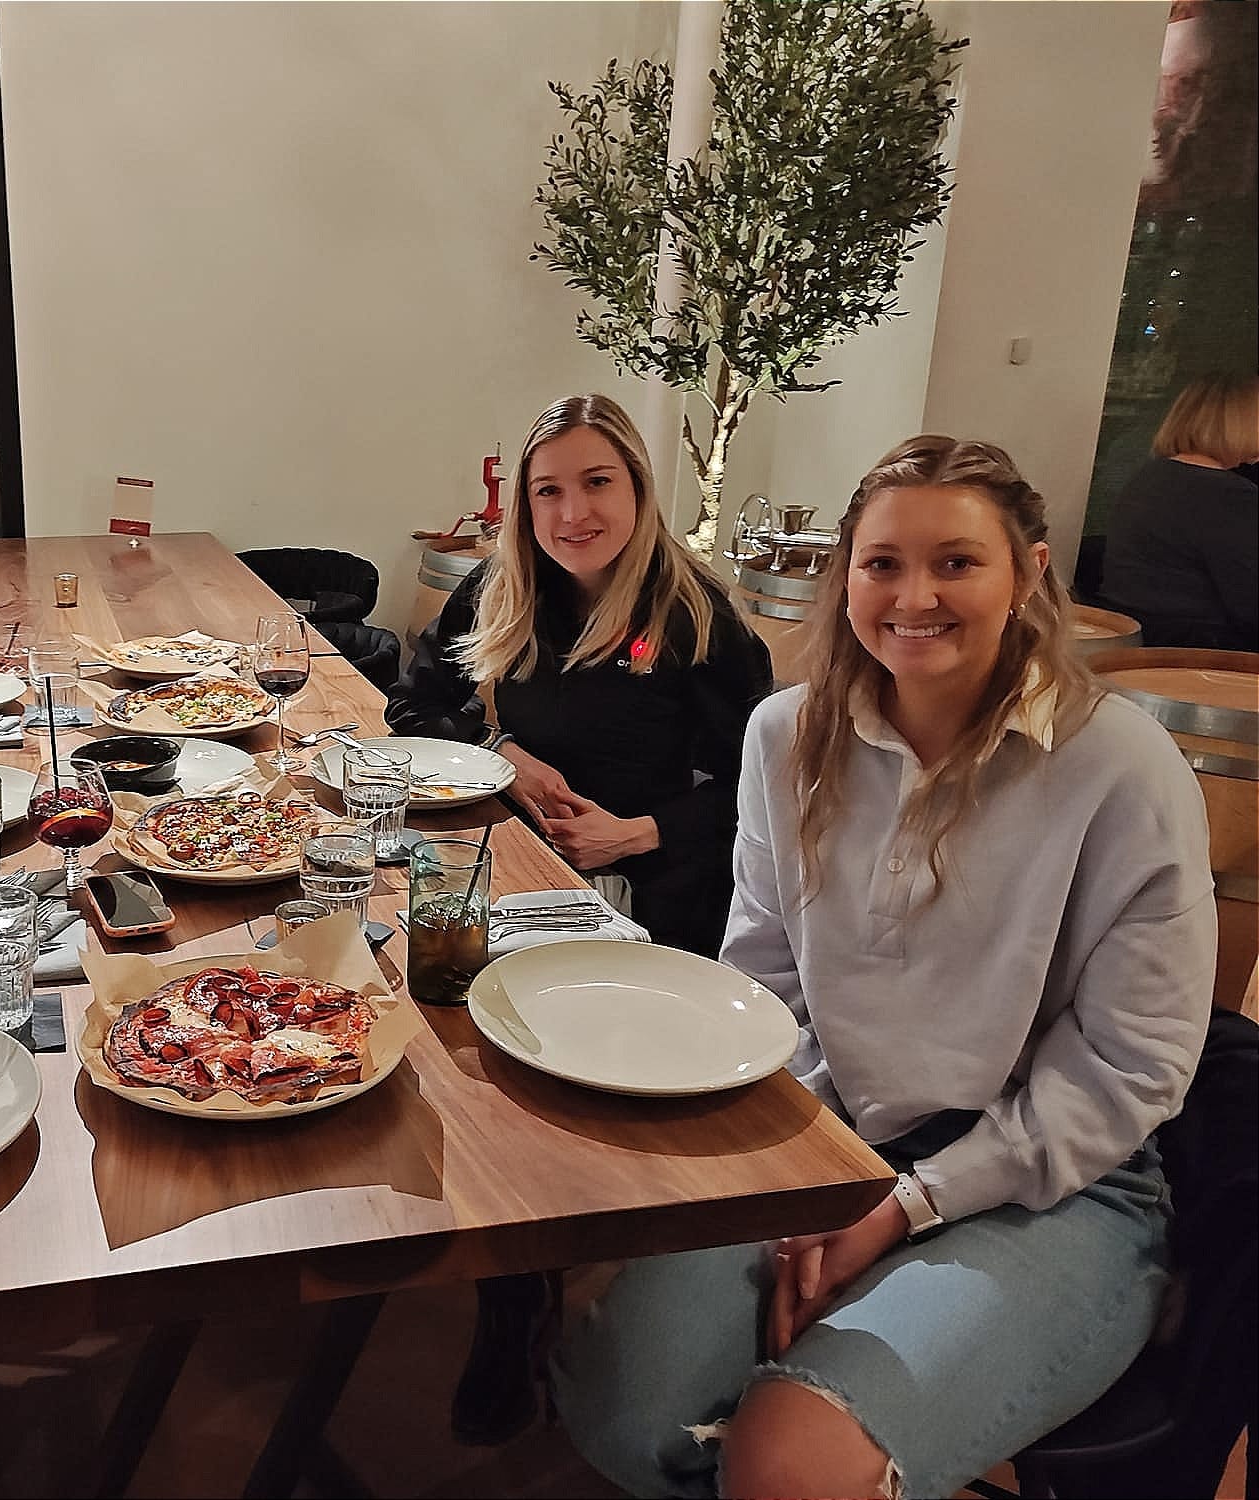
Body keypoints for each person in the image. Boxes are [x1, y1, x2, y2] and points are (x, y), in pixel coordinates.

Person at [550, 436, 1216, 1499]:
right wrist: (809, 1170)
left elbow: (1130, 1071)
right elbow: (763, 989)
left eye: (956, 562)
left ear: (1027, 575)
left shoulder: (1118, 768)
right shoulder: (785, 737)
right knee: (629, 1417)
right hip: (825, 1140)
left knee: (781, 1459)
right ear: (844, 576)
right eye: (881, 564)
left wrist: (901, 1209)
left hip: (1053, 1186)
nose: (914, 595)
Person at [388, 393, 773, 958]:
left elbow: (765, 786)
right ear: (527, 503)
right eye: (549, 491)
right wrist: (502, 755)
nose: (573, 514)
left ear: (637, 486)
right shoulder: (502, 586)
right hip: (523, 868)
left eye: (597, 482)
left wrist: (638, 832)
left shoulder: (698, 615)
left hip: (660, 898)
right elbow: (412, 707)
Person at [1100, 372, 1259, 651]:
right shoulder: (1229, 495)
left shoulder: (1149, 475)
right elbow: (1249, 603)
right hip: (1198, 648)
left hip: (1135, 633)